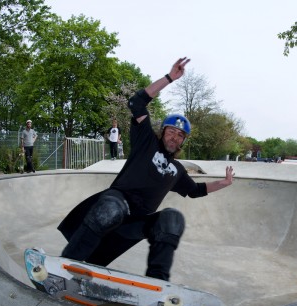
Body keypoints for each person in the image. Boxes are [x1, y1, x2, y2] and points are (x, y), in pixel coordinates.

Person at [58, 57, 234, 282]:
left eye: (180, 135)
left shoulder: (177, 170)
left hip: (136, 221)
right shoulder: (146, 141)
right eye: (171, 131)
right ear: (163, 132)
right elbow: (136, 103)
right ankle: (67, 262)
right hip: (116, 201)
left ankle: (157, 285)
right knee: (112, 208)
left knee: (172, 219)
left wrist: (224, 183)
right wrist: (170, 78)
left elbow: (195, 190)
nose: (175, 136)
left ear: (182, 142)